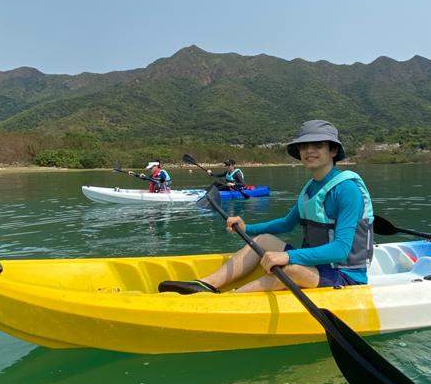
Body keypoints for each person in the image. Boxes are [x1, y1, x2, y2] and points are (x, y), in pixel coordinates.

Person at [159, 120, 374, 294]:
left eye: (317, 145)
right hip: (318, 266)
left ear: (333, 150)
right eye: (304, 146)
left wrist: (289, 256)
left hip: (346, 276)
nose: (309, 151)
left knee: (291, 269)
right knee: (263, 240)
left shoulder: (347, 190)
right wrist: (246, 228)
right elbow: (286, 224)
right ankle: (205, 285)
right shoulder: (312, 187)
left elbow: (340, 249)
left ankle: (232, 299)